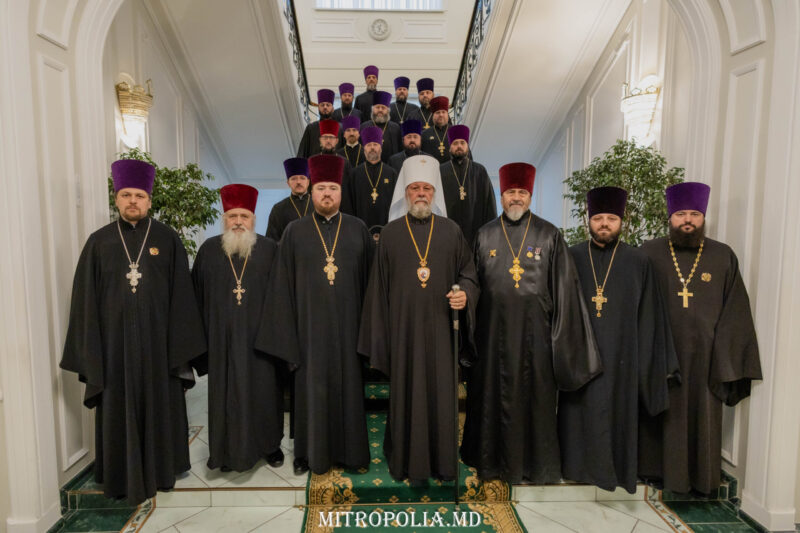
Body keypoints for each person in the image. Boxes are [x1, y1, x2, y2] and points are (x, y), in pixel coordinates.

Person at [60, 159, 206, 504]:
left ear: (149, 200)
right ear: (116, 198)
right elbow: (85, 301)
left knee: (160, 404)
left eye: (139, 195)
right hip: (114, 349)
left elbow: (182, 298)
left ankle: (162, 469)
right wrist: (92, 349)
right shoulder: (99, 242)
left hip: (159, 348)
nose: (132, 201)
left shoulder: (167, 239)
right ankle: (119, 474)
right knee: (118, 408)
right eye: (126, 194)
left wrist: (180, 348)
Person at [460, 162, 601, 484]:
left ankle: (535, 467)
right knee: (491, 401)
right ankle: (491, 464)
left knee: (535, 403)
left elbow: (565, 290)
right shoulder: (484, 234)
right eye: (510, 192)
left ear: (530, 196)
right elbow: (472, 282)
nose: (516, 198)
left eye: (522, 192)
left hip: (536, 338)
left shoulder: (549, 234)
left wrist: (561, 341)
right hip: (492, 337)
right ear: (501, 196)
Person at [359, 154, 479, 483]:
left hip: (442, 331)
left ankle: (442, 463)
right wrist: (381, 339)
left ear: (434, 193)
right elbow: (378, 290)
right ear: (406, 193)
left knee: (441, 396)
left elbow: (469, 274)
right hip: (403, 333)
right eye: (415, 188)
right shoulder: (390, 234)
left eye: (427, 188)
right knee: (406, 395)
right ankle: (404, 461)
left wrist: (465, 295)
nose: (421, 194)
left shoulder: (452, 231)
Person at [639, 181, 762, 494]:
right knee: (662, 412)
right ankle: (657, 472)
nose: (688, 220)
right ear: (670, 216)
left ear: (703, 217)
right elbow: (635, 303)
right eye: (681, 214)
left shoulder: (722, 256)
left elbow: (735, 309)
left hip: (707, 357)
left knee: (702, 415)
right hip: (662, 352)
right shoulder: (649, 252)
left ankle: (701, 478)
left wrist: (725, 355)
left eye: (694, 214)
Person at [256, 154, 373, 476]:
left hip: (349, 331)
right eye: (321, 188)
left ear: (341, 192)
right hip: (307, 332)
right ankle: (307, 455)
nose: (327, 194)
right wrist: (287, 336)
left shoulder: (358, 229)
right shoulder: (294, 232)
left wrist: (368, 333)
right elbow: (281, 286)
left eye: (333, 188)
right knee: (309, 394)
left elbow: (371, 285)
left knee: (349, 393)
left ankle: (352, 454)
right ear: (311, 192)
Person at [558, 186, 678, 493]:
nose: (604, 224)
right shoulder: (571, 256)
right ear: (588, 220)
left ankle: (616, 471)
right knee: (579, 413)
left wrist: (649, 364)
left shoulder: (638, 262)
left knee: (617, 415)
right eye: (598, 218)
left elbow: (650, 315)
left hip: (623, 356)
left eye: (611, 218)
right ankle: (576, 468)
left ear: (621, 221)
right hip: (580, 355)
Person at [192, 184, 286, 472]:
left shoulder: (270, 249)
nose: (238, 222)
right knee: (225, 397)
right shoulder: (209, 250)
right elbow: (195, 297)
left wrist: (277, 338)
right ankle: (224, 452)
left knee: (265, 394)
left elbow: (282, 296)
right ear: (224, 219)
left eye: (244, 216)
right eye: (232, 216)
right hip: (221, 341)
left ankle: (270, 447)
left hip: (262, 341)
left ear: (253, 220)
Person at [439, 125, 496, 245]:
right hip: (448, 234)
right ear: (450, 147)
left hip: (475, 234)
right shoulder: (440, 171)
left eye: (462, 143)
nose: (459, 146)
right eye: (455, 143)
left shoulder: (480, 171)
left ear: (467, 146)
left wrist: (491, 234)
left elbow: (489, 204)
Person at [351, 126, 398, 233]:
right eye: (369, 145)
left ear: (381, 148)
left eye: (375, 144)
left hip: (387, 227)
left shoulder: (391, 173)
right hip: (361, 228)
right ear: (364, 149)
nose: (372, 148)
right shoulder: (355, 174)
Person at [266, 157, 310, 242]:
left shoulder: (319, 205)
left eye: (302, 178)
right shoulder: (278, 209)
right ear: (288, 183)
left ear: (308, 182)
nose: (298, 182)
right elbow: (271, 241)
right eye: (294, 178)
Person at [360, 91, 402, 162]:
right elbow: (361, 149)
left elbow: (399, 150)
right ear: (372, 109)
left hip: (391, 165)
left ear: (388, 110)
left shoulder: (395, 127)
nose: (380, 110)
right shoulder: (364, 127)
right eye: (377, 107)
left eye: (383, 108)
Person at [296, 89, 336, 158]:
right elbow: (302, 152)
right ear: (318, 107)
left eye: (328, 105)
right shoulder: (311, 128)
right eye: (322, 105)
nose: (325, 107)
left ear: (332, 108)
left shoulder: (340, 128)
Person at [421, 96, 452, 163]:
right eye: (437, 112)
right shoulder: (424, 134)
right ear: (433, 115)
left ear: (447, 114)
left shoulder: (455, 131)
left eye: (443, 112)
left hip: (451, 169)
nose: (441, 115)